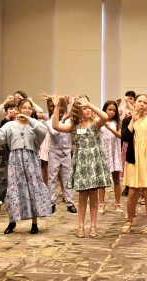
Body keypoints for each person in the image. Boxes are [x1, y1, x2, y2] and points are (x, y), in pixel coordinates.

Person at [0, 99, 52, 234]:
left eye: (30, 108)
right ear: (19, 109)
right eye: (24, 108)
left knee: (33, 189)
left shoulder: (35, 125)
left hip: (31, 160)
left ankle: (34, 223)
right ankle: (12, 221)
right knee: (14, 189)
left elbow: (43, 132)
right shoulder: (10, 125)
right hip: (15, 160)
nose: (27, 110)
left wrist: (29, 119)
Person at [52, 95, 112, 238]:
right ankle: (80, 227)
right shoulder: (75, 126)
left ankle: (93, 226)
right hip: (82, 162)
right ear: (78, 112)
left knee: (94, 196)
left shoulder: (95, 123)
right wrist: (56, 107)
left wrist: (90, 105)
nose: (87, 110)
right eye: (84, 108)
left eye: (88, 108)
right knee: (82, 196)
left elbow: (105, 117)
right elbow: (56, 126)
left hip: (94, 162)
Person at [121, 93, 147, 234]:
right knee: (132, 191)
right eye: (139, 101)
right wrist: (133, 120)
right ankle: (129, 220)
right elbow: (126, 137)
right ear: (135, 103)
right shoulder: (127, 120)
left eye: (145, 103)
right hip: (134, 157)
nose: (142, 104)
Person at [46, 99, 77, 214]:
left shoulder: (69, 121)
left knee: (67, 178)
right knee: (52, 178)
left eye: (62, 111)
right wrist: (63, 120)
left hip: (67, 153)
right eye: (58, 111)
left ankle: (69, 203)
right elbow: (55, 132)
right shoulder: (49, 122)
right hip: (54, 153)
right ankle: (51, 203)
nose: (60, 113)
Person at [99, 101, 123, 215]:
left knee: (116, 180)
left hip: (114, 152)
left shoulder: (117, 122)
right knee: (102, 181)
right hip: (103, 152)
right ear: (104, 110)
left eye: (114, 110)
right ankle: (101, 204)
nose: (112, 112)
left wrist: (110, 128)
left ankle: (117, 203)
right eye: (109, 109)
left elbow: (120, 136)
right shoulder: (99, 121)